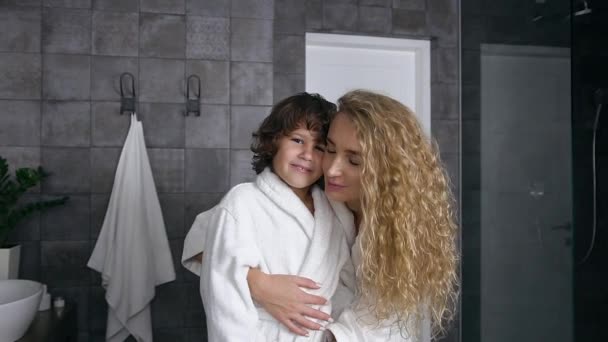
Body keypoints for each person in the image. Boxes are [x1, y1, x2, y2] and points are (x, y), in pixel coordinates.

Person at [248, 90, 459, 341]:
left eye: (354, 161)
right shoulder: (318, 195)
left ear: (386, 170)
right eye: (329, 149)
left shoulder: (406, 229)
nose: (333, 169)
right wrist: (259, 285)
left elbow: (374, 326)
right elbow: (210, 231)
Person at [181, 92, 356, 341]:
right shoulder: (243, 202)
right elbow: (225, 298)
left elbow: (347, 285)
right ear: (274, 142)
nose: (307, 154)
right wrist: (259, 284)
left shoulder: (336, 211)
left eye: (319, 147)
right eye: (297, 140)